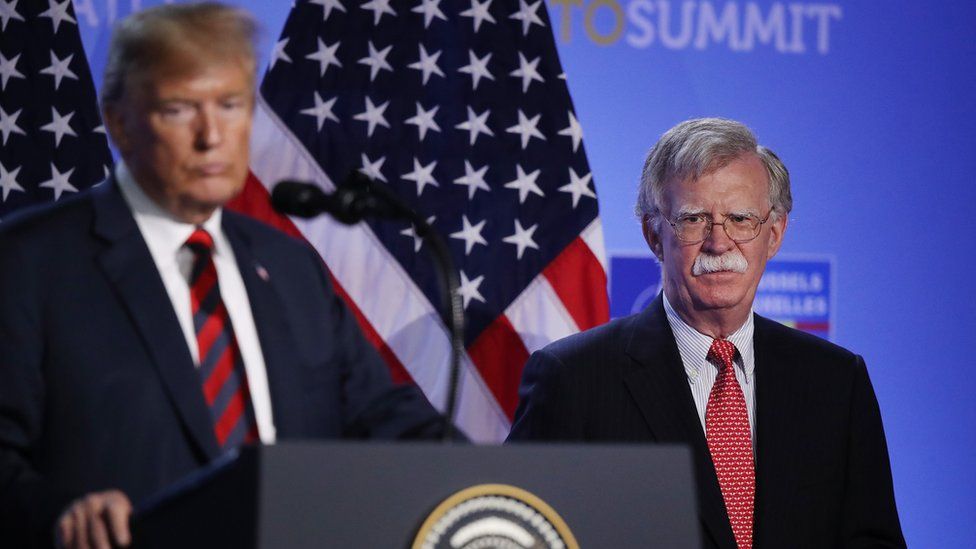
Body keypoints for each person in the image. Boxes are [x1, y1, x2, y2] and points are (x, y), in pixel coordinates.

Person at [0, 4, 445, 548]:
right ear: (118, 121)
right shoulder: (28, 263)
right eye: (180, 109)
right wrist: (61, 513)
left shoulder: (288, 266)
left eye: (230, 105)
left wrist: (492, 479)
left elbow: (381, 416)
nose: (212, 135)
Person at [507, 118, 905, 548]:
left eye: (740, 218)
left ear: (774, 234)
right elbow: (517, 535)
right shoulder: (573, 378)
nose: (720, 242)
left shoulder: (835, 381)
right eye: (694, 219)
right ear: (654, 234)